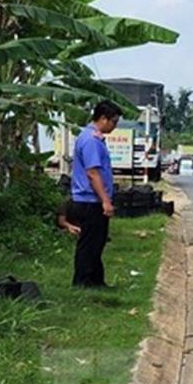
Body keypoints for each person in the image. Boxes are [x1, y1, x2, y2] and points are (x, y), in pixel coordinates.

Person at [69, 100, 122, 288]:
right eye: (113, 122)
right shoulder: (91, 140)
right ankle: (82, 282)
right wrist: (105, 201)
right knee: (89, 244)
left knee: (96, 243)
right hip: (90, 200)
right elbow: (93, 173)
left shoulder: (95, 138)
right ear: (102, 118)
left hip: (92, 199)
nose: (115, 127)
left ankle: (95, 281)